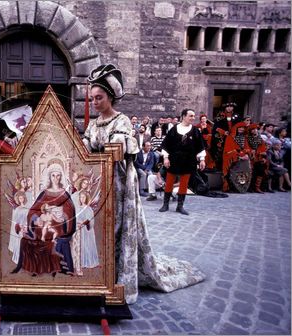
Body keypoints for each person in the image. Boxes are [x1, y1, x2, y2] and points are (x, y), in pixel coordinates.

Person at [83, 64, 204, 304]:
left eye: (99, 98)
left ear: (110, 97)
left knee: (118, 226)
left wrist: (118, 143)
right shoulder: (93, 123)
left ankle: (119, 276)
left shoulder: (123, 120)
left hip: (119, 185)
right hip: (98, 183)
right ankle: (100, 271)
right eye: (92, 99)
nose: (95, 102)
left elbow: (128, 146)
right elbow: (86, 144)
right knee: (99, 227)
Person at [160, 108, 206, 215]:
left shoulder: (195, 131)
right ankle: (165, 204)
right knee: (169, 182)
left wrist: (202, 159)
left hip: (189, 160)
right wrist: (166, 158)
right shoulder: (174, 129)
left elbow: (200, 146)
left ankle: (179, 206)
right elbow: (166, 145)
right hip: (174, 159)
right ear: (184, 116)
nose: (193, 118)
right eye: (190, 116)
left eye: (194, 116)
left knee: (184, 184)